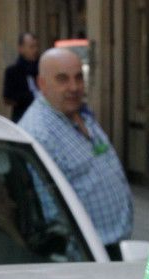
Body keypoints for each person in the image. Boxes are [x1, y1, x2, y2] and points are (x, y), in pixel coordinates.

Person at [18, 48, 133, 259]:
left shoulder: (77, 113)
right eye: (62, 79)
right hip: (87, 256)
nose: (74, 87)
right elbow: (51, 214)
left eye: (79, 78)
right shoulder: (38, 133)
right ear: (42, 84)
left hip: (112, 245)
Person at [2, 32, 39, 122]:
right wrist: (31, 96)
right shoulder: (13, 71)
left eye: (36, 46)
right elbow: (8, 98)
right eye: (31, 47)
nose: (35, 50)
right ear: (21, 49)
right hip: (22, 117)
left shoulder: (41, 68)